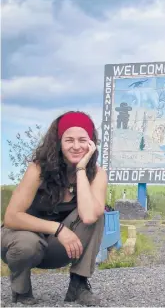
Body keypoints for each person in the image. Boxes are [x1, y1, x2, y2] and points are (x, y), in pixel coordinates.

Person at [1, 111, 107, 306]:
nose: (76, 146)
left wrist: (81, 169)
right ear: (59, 142)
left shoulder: (97, 174)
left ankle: (79, 285)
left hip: (58, 249)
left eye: (82, 140)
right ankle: (21, 290)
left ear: (91, 144)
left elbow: (90, 216)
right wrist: (58, 229)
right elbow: (11, 217)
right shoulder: (38, 169)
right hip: (24, 240)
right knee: (27, 243)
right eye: (69, 140)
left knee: (97, 211)